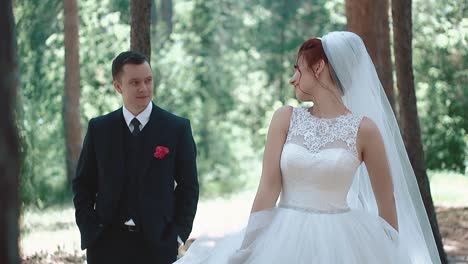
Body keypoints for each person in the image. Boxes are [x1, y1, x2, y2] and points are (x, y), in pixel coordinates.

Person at [175, 31, 440, 263]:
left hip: (343, 243)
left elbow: (386, 203)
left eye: (298, 69)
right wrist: (247, 247)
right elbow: (267, 189)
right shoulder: (285, 118)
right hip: (281, 239)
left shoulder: (365, 130)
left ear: (319, 67)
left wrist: (388, 254)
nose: (292, 78)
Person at [72, 50, 199, 264]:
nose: (144, 88)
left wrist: (177, 236)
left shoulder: (177, 128)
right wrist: (90, 230)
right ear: (118, 87)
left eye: (148, 80)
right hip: (106, 246)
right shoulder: (99, 129)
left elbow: (189, 187)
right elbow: (83, 185)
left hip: (159, 245)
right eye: (135, 82)